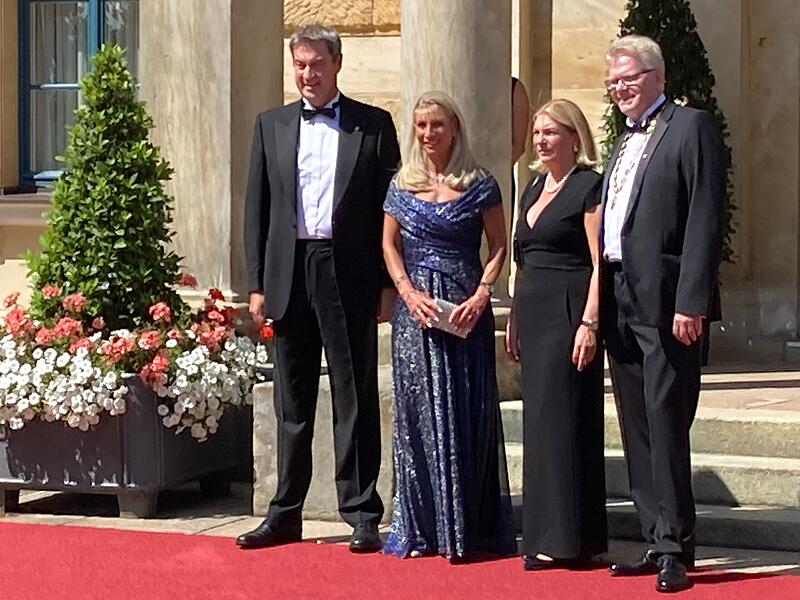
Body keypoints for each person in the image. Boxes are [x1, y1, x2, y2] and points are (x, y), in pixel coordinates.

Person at [238, 23, 400, 553]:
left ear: (337, 64)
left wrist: (385, 283)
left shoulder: (373, 126)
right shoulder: (272, 124)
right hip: (289, 271)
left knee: (354, 396)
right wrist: (257, 282)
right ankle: (285, 512)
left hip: (347, 272)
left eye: (317, 64)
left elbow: (387, 213)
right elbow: (256, 210)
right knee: (293, 399)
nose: (308, 74)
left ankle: (361, 511)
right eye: (300, 65)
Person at [601, 35, 725, 593]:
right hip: (620, 292)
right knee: (636, 423)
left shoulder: (690, 125)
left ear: (656, 74)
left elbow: (704, 214)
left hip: (667, 298)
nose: (618, 88)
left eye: (627, 78)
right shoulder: (621, 141)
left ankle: (676, 544)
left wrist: (691, 301)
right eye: (612, 82)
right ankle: (656, 536)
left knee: (667, 418)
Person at [381, 91, 516, 562]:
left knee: (465, 412)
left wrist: (483, 294)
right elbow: (389, 245)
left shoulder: (480, 183)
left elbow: (500, 245)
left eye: (436, 124)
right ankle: (422, 526)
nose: (428, 134)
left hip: (465, 314)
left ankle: (468, 527)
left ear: (455, 127)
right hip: (415, 316)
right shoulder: (401, 183)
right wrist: (405, 290)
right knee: (418, 415)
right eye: (420, 125)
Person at [505, 99, 607, 570]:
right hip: (535, 311)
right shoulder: (531, 187)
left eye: (552, 132)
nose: (541, 140)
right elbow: (522, 259)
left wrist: (590, 322)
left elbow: (599, 261)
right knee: (540, 425)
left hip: (570, 312)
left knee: (566, 422)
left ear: (573, 137)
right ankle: (542, 533)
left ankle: (571, 540)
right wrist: (514, 317)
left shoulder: (588, 187)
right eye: (538, 132)